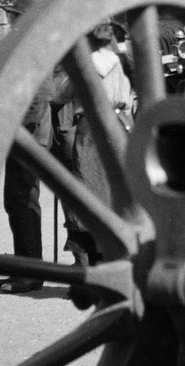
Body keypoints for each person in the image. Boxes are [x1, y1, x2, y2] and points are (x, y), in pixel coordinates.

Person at [51, 19, 137, 266]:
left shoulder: (90, 63)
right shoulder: (123, 60)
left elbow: (61, 94)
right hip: (122, 125)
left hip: (92, 129)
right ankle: (115, 255)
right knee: (115, 191)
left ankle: (89, 260)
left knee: (89, 190)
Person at [0, 0, 54, 289]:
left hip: (27, 138)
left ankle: (29, 273)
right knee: (19, 201)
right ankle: (29, 268)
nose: (10, 22)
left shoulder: (34, 47)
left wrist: (15, 128)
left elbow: (42, 95)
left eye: (13, 17)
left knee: (22, 202)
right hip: (25, 136)